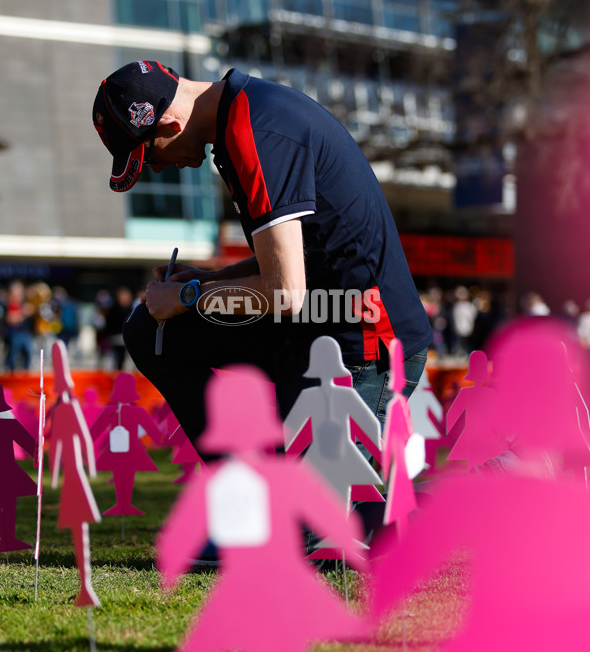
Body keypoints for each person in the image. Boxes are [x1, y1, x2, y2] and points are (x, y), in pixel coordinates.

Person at [91, 60, 432, 459]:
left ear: (170, 126)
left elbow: (286, 293)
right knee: (150, 331)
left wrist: (188, 297)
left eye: (149, 158)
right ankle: (256, 483)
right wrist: (210, 279)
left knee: (322, 521)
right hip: (313, 325)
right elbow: (289, 264)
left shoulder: (253, 131)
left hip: (363, 346)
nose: (160, 168)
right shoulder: (240, 118)